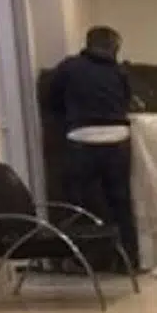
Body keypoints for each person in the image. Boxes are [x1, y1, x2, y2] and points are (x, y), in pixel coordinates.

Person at [39, 25, 140, 273]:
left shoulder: (69, 68)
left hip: (82, 138)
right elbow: (126, 100)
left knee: (81, 205)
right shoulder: (119, 72)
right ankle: (128, 260)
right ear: (113, 47)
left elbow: (51, 99)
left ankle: (85, 261)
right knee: (121, 203)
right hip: (118, 139)